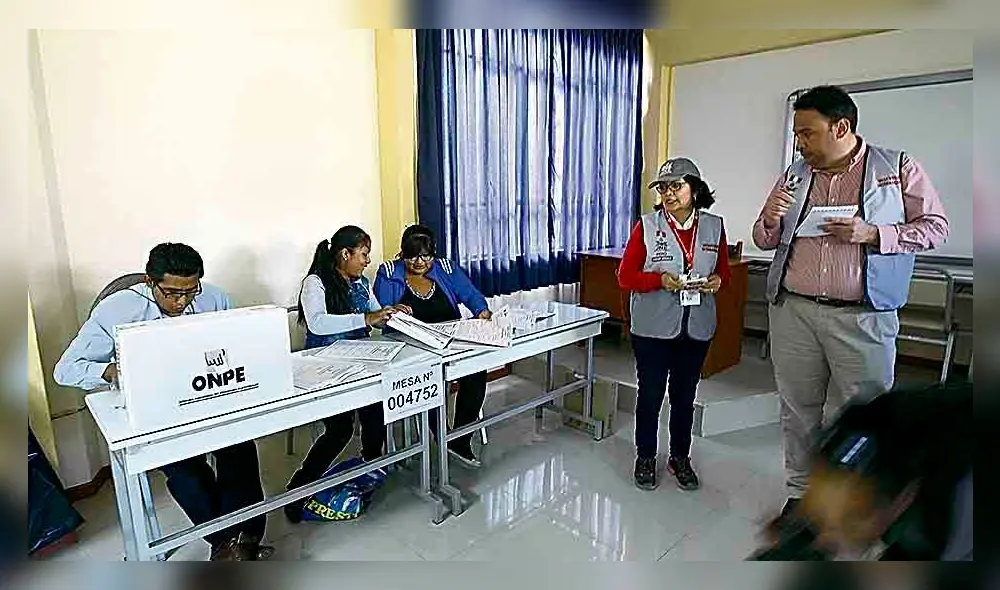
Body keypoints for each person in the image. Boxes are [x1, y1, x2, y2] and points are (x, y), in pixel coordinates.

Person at [752, 85, 950, 516]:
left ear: (841, 126)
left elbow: (937, 227)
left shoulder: (897, 168)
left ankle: (849, 498)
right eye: (797, 133)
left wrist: (876, 234)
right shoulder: (794, 173)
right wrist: (768, 218)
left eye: (807, 133)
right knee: (797, 410)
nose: (800, 142)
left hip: (863, 317)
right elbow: (765, 239)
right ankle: (801, 494)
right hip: (795, 311)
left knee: (865, 415)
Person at [53, 243, 267, 561]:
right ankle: (226, 542)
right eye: (171, 293)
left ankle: (246, 536)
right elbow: (66, 369)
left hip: (208, 396)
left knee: (240, 449)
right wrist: (111, 370)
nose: (181, 301)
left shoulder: (214, 297)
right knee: (185, 469)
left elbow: (233, 345)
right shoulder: (117, 308)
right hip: (156, 408)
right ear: (150, 282)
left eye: (190, 292)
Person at [751, 380, 972, 561]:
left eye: (851, 520)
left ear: (902, 501)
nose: (828, 537)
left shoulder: (950, 522)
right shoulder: (855, 438)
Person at [617, 157, 731, 491]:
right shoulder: (648, 226)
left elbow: (723, 271)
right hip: (653, 328)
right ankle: (645, 457)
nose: (669, 193)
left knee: (684, 397)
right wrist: (659, 280)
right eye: (663, 187)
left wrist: (717, 282)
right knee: (650, 395)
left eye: (676, 186)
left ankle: (680, 457)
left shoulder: (713, 226)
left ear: (695, 189)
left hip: (696, 327)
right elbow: (625, 276)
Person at [284, 225, 409, 523]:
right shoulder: (316, 282)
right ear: (345, 253)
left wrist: (392, 313)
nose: (367, 261)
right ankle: (298, 488)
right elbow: (317, 324)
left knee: (377, 407)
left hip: (360, 361)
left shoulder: (361, 282)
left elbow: (376, 317)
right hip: (324, 363)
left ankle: (370, 463)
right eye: (364, 254)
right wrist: (366, 317)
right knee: (340, 430)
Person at [374, 224, 491, 468]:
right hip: (410, 348)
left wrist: (482, 311)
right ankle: (441, 435)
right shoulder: (388, 273)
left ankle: (459, 439)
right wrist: (393, 310)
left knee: (477, 375)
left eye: (425, 256)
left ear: (433, 254)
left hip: (450, 342)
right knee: (428, 379)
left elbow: (471, 294)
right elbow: (380, 312)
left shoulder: (445, 269)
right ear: (402, 253)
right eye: (412, 256)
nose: (419, 262)